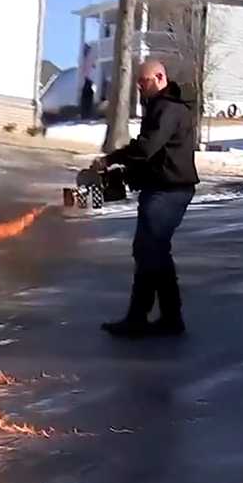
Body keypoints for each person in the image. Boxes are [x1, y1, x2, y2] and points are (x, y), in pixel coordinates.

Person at [91, 60, 199, 338]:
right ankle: (170, 318)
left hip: (170, 190)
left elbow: (147, 147)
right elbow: (154, 153)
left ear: (161, 77)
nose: (140, 86)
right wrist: (127, 173)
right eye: (138, 82)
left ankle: (139, 319)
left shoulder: (168, 108)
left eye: (145, 81)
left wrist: (112, 159)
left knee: (148, 249)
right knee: (155, 251)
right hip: (163, 187)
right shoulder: (161, 106)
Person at [79, 44, 96, 120]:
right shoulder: (86, 58)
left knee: (87, 97)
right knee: (87, 97)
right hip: (87, 79)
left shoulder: (87, 58)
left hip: (88, 80)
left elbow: (92, 66)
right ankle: (86, 114)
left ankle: (86, 114)